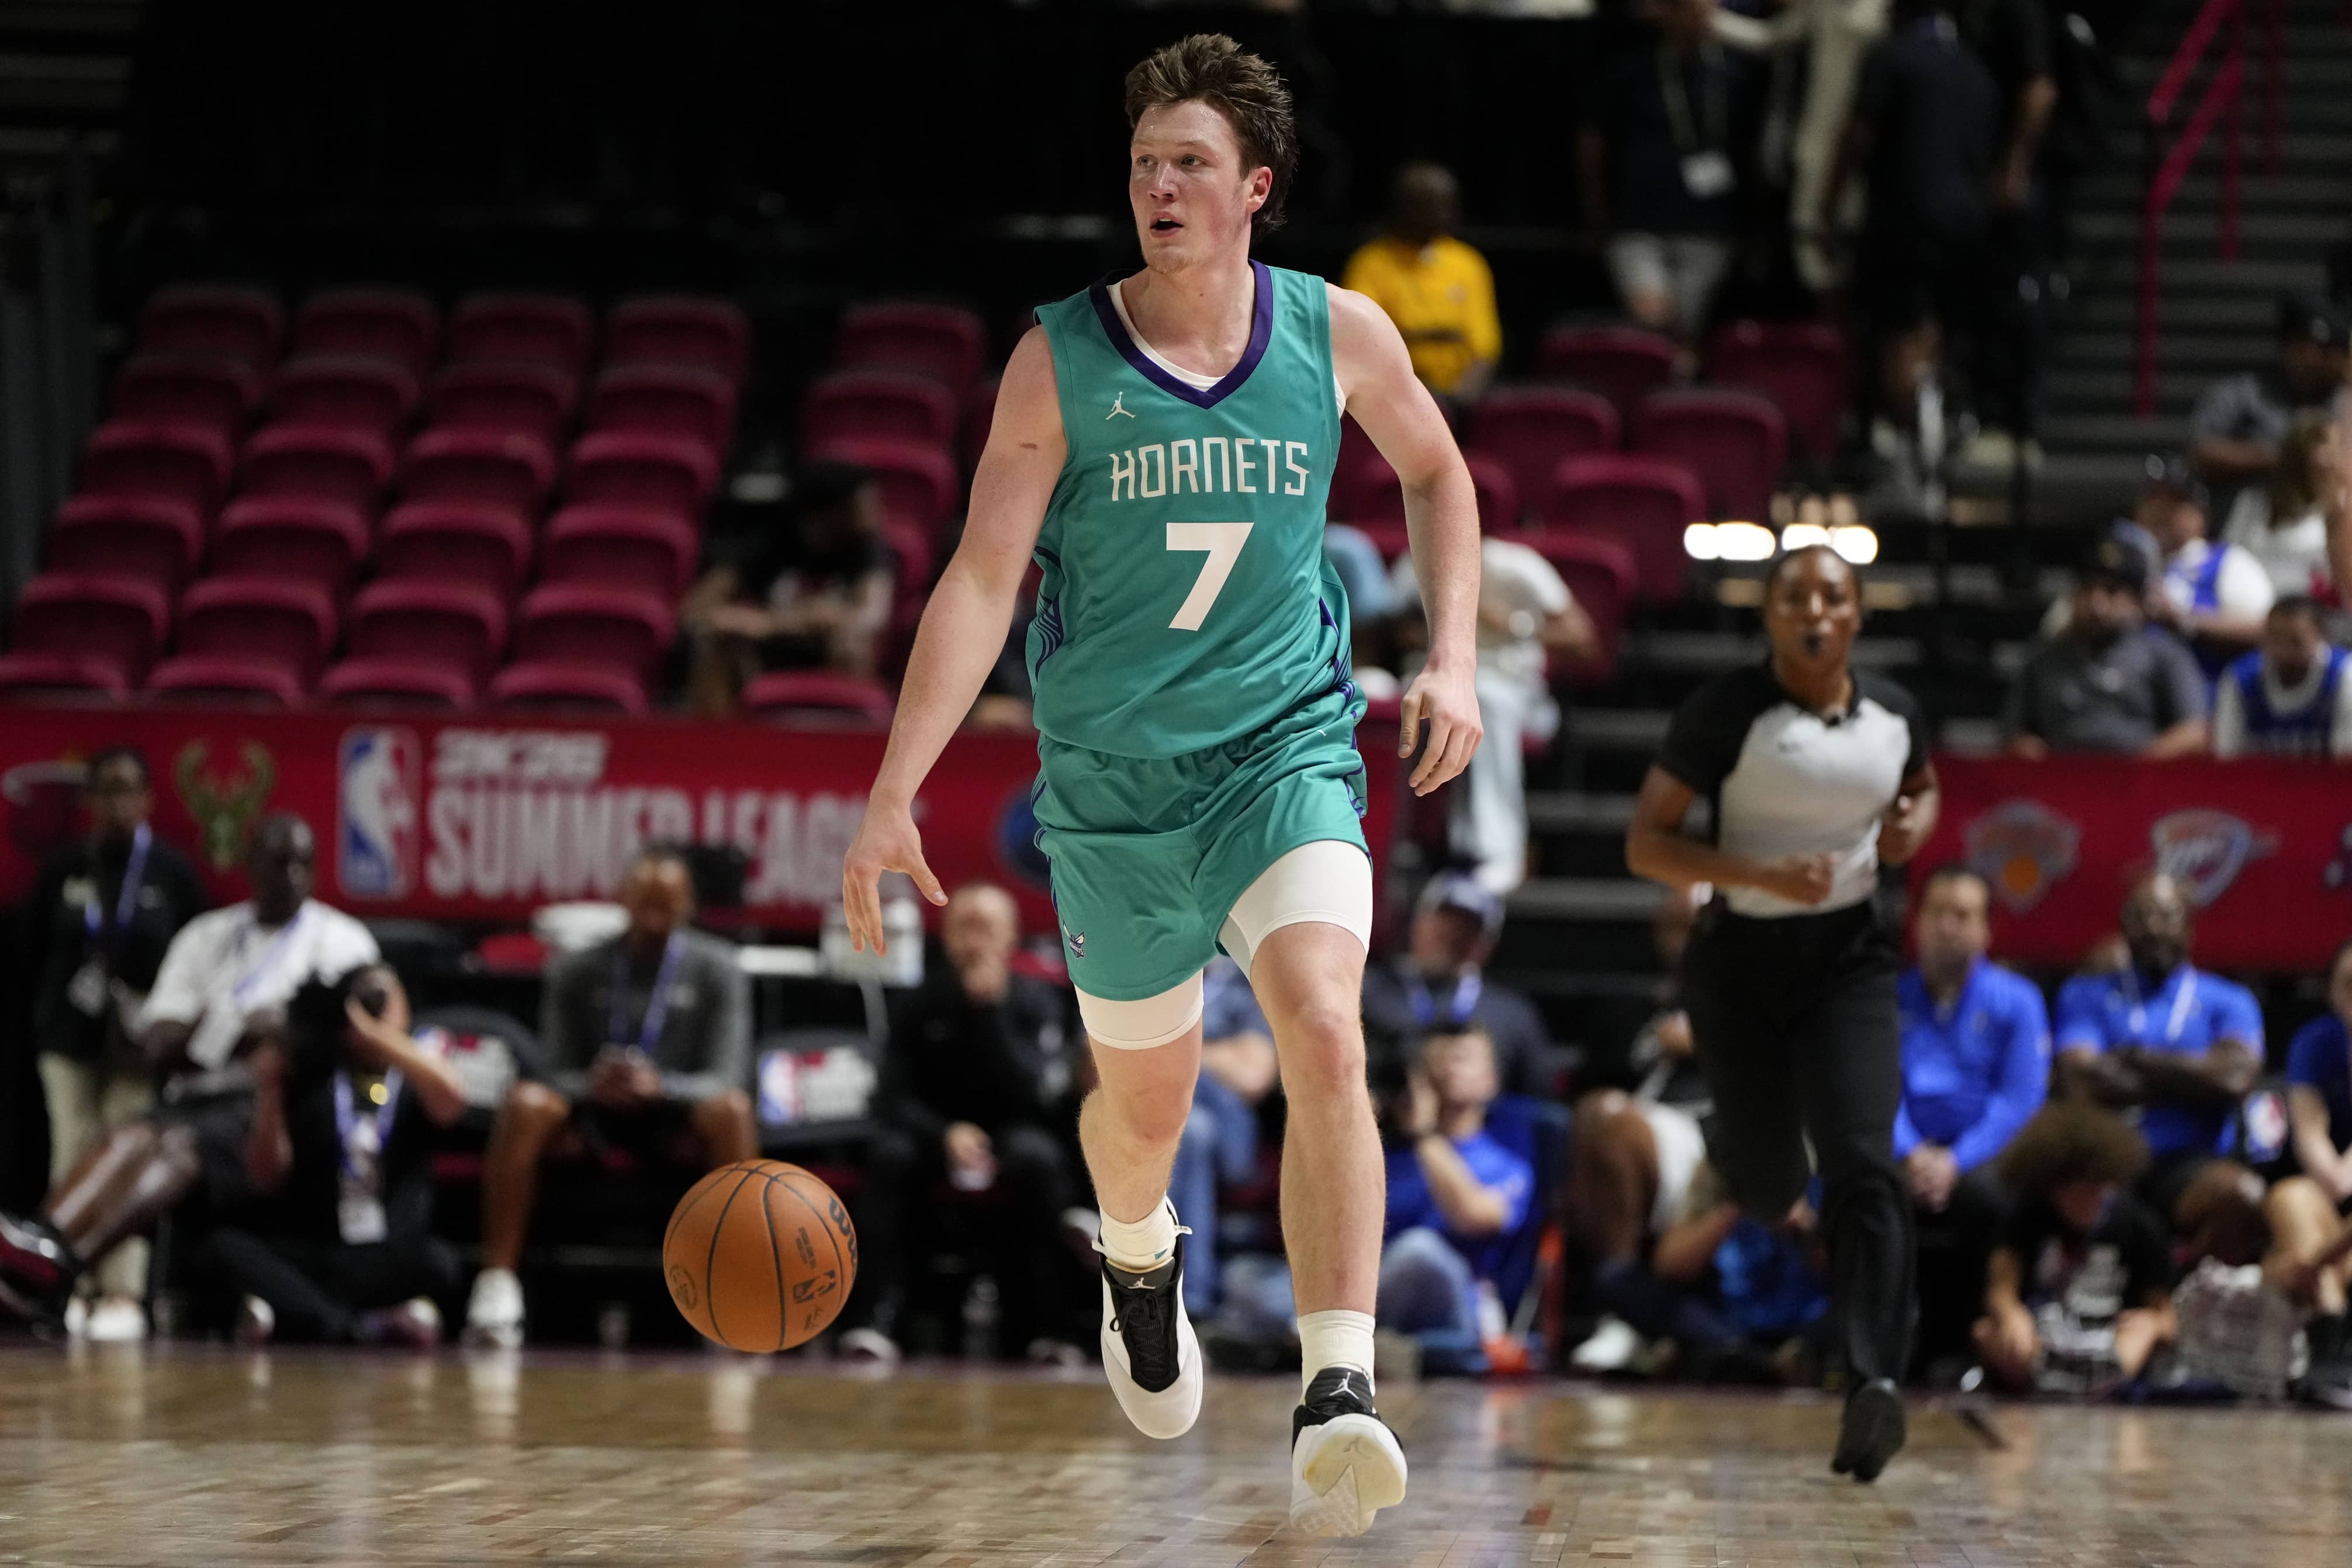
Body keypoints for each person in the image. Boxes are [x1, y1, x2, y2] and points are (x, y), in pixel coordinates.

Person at [839, 33, 1484, 1538]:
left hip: (1283, 755)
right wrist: (892, 791)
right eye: (1141, 164)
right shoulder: (1057, 354)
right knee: (1144, 1104)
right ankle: (1138, 1252)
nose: (1157, 186)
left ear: (1255, 187)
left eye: (1187, 162)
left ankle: (1337, 1384)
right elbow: (982, 574)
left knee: (1325, 1024)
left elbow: (1439, 476)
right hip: (1114, 790)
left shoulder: (1336, 332)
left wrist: (1447, 656)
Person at [1624, 542, 1937, 1483]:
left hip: (1850, 961)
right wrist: (1757, 873)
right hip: (1739, 965)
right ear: (1769, 614)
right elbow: (1647, 843)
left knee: (1864, 1161)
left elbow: (1919, 790)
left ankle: (1873, 1378)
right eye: (1793, 593)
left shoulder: (1894, 713)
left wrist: (1913, 827)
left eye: (1831, 594)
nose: (1813, 608)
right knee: (1766, 1188)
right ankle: (1742, 1145)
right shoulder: (1725, 713)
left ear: (1855, 614)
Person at [0, 814, 379, 1332]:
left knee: (176, 1147)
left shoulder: (341, 940)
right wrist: (245, 1026)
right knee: (126, 1135)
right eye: (277, 862)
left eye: (302, 864)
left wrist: (229, 1032)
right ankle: (41, 1247)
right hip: (194, 1092)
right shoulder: (208, 935)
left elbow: (339, 1028)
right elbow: (156, 1040)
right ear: (251, 865)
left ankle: (59, 1267)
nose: (291, 875)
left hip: (275, 1105)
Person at [464, 846, 758, 1348]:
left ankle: (730, 1287)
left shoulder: (720, 969)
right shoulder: (576, 968)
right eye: (644, 901)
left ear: (688, 906)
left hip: (676, 1119)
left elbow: (728, 1076)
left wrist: (661, 1086)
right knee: (525, 1103)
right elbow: (553, 1069)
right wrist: (594, 1083)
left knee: (733, 1112)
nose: (654, 914)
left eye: (667, 904)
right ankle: (498, 1284)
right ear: (622, 898)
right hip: (593, 1115)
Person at [839, 883, 1085, 1364]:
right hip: (935, 1133)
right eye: (963, 928)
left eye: (986, 928)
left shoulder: (1039, 1001)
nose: (975, 941)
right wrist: (945, 1134)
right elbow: (893, 1095)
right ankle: (876, 1320)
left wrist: (990, 1012)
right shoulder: (919, 1002)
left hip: (1015, 1131)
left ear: (1012, 935)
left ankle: (1050, 1327)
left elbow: (1038, 1093)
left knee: (1042, 1162)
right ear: (946, 935)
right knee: (890, 1158)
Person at [23, 746, 206, 1338]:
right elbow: (32, 953)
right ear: (89, 801)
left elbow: (193, 962)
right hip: (69, 1044)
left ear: (149, 799)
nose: (115, 803)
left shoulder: (171, 873)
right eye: (104, 790)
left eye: (127, 789)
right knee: (70, 1157)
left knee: (125, 1160)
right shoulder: (66, 867)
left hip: (137, 1050)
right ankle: (63, 1284)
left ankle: (123, 1292)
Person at [199, 964, 467, 1346]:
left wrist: (377, 1035)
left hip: (384, 1253)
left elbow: (452, 1098)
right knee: (222, 1247)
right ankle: (358, 1323)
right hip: (316, 1250)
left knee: (440, 1262)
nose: (372, 1012)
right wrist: (270, 1094)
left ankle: (306, 1316)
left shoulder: (416, 1071)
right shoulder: (312, 1074)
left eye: (382, 999)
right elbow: (265, 1177)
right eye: (360, 1002)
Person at [1820, 1, 1998, 451]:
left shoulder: (1891, 57)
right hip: (1967, 227)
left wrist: (1828, 205)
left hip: (1904, 221)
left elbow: (1858, 135)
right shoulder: (1975, 70)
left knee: (1898, 334)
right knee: (1932, 334)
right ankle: (1933, 426)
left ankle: (1911, 443)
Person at [1895, 864, 2049, 1366]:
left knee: (1989, 1197)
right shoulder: (1888, 999)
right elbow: (1876, 1090)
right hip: (1907, 1147)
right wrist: (1912, 1151)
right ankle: (1873, 1343)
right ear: (1917, 923)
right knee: (1859, 1189)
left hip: (1980, 1153)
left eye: (1962, 915)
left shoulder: (2018, 1001)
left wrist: (1955, 1161)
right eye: (1937, 912)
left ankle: (1963, 1343)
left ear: (1986, 929)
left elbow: (2019, 1099)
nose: (1948, 926)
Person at [2050, 874, 2263, 1237]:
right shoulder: (2084, 994)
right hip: (2106, 1158)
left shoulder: (2229, 1000)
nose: (2152, 927)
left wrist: (2134, 1058)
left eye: (2167, 915)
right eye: (2140, 916)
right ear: (2123, 928)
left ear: (2190, 928)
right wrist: (2193, 1079)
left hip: (2191, 1159)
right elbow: (2080, 1080)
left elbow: (2234, 1078)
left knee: (2242, 1194)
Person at [1389, 537, 1597, 894]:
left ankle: (1499, 850)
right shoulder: (1416, 562)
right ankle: (1393, 843)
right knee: (1380, 695)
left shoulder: (1520, 566)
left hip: (1515, 691)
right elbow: (1390, 632)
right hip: (1433, 682)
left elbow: (1583, 640)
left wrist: (1515, 625)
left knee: (1482, 701)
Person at [1578, 0, 1760, 341]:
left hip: (1707, 227)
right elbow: (1593, 142)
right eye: (1689, 12)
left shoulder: (1732, 74)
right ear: (1667, 14)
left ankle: (1676, 389)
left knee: (1684, 330)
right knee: (1651, 316)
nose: (1699, 22)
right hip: (1639, 223)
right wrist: (1597, 211)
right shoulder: (1632, 71)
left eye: (1706, 13)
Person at [1973, 1101, 2175, 1394]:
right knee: (1986, 1332)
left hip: (2108, 1340)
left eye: (2092, 1190)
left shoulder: (2140, 1226)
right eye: (2071, 1191)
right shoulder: (2026, 1217)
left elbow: (2167, 1317)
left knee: (2143, 1332)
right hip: (2044, 1337)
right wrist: (2012, 1316)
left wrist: (2152, 1324)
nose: (2082, 1201)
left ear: (2110, 1183)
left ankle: (2102, 1383)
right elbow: (2001, 1289)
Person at [682, 459, 895, 709]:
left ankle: (846, 735)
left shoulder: (869, 549)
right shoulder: (771, 543)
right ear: (830, 513)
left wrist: (768, 623)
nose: (876, 515)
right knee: (713, 644)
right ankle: (718, 741)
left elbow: (870, 616)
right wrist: (735, 620)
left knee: (852, 644)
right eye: (865, 506)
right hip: (766, 653)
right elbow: (695, 609)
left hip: (825, 648)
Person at [2002, 537, 2208, 757]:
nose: (2097, 605)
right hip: (2060, 780)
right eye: (2088, 589)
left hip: (2139, 780)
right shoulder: (2043, 656)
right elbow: (2013, 733)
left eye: (2111, 591)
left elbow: (2195, 733)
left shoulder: (2163, 654)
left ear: (2135, 600)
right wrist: (2035, 755)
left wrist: (2136, 770)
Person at [1360, 872, 1559, 1098]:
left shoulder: (1513, 1015)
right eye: (1444, 920)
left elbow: (1536, 1102)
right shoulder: (1368, 991)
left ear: (1487, 943)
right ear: (1419, 921)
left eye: (1467, 927)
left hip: (1477, 1130)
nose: (1451, 934)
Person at [1340, 162, 1502, 404]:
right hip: (1391, 396)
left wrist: (1459, 401)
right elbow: (1365, 341)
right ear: (1405, 207)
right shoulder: (1370, 263)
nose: (1446, 214)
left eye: (1450, 204)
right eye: (1433, 205)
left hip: (1459, 400)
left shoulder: (1469, 262)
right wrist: (1439, 335)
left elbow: (1485, 348)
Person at [2189, 293, 2348, 491]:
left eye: (2324, 351)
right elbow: (2200, 451)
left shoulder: (2341, 400)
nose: (2313, 359)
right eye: (2306, 347)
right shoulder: (2245, 394)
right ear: (2287, 346)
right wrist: (2277, 456)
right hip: (2252, 508)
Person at [2131, 454, 2274, 673]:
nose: (2161, 513)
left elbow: (2265, 631)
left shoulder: (2229, 562)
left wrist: (2184, 621)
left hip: (2206, 689)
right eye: (2153, 500)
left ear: (2200, 515)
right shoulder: (2121, 558)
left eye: (2174, 504)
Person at [2220, 411, 2345, 603]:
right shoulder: (2252, 503)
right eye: (2325, 446)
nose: (2333, 459)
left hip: (2307, 613)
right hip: (2247, 604)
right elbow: (2229, 558)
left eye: (2337, 448)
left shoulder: (2338, 511)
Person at [2212, 597, 2352, 759]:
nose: (2283, 651)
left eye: (2296, 642)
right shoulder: (2241, 677)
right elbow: (2228, 758)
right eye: (2275, 639)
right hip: (2259, 783)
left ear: (2323, 637)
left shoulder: (2344, 674)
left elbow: (2346, 763)